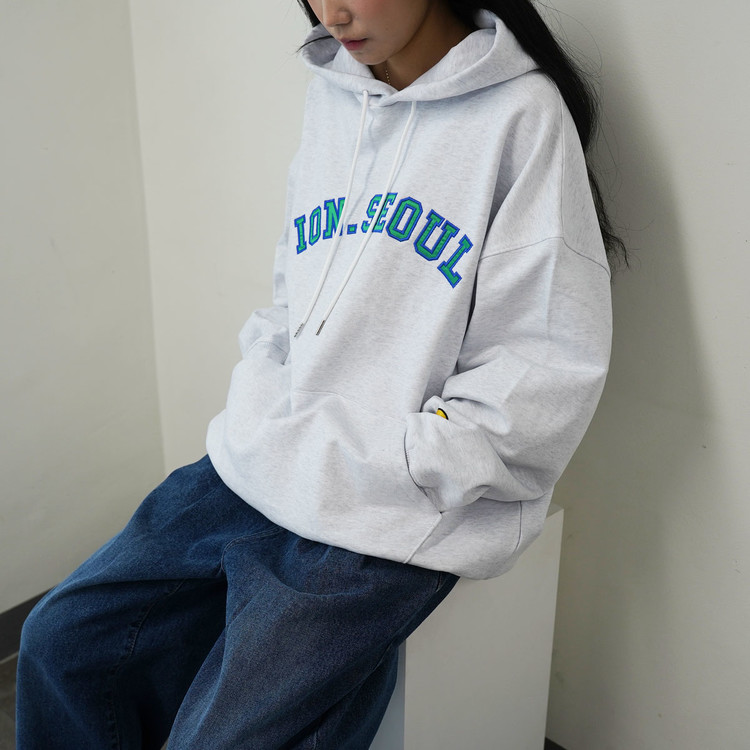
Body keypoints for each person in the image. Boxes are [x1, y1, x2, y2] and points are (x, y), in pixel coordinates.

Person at [17, 1, 626, 748]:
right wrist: (264, 395)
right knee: (62, 643)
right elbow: (294, 289)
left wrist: (409, 460)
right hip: (268, 458)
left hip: (392, 506)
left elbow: (544, 363)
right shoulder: (334, 94)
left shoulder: (521, 116)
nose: (331, 12)